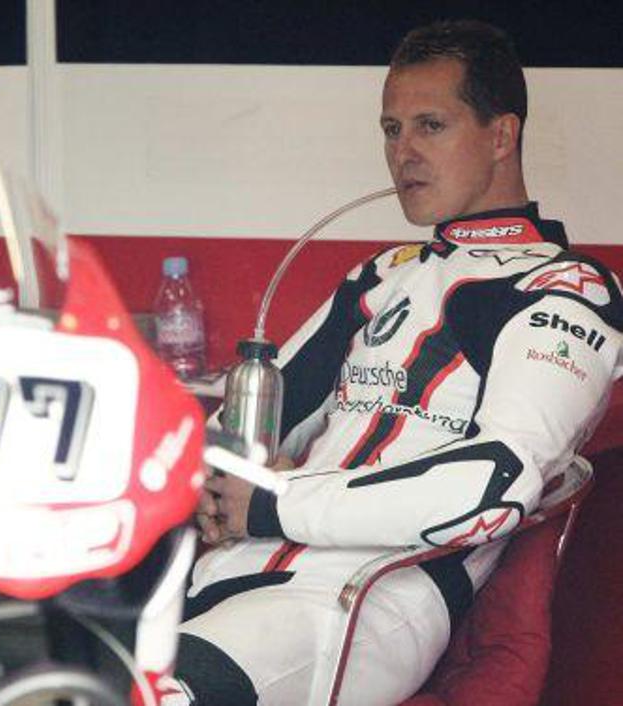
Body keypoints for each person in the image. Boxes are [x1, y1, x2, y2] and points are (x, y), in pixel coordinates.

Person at [170, 19, 623, 706]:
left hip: (358, 604)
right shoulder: (381, 275)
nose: (402, 153)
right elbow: (242, 431)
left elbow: (493, 487)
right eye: (391, 129)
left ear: (501, 136)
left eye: (430, 126)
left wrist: (272, 502)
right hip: (225, 574)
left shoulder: (566, 289)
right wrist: (219, 482)